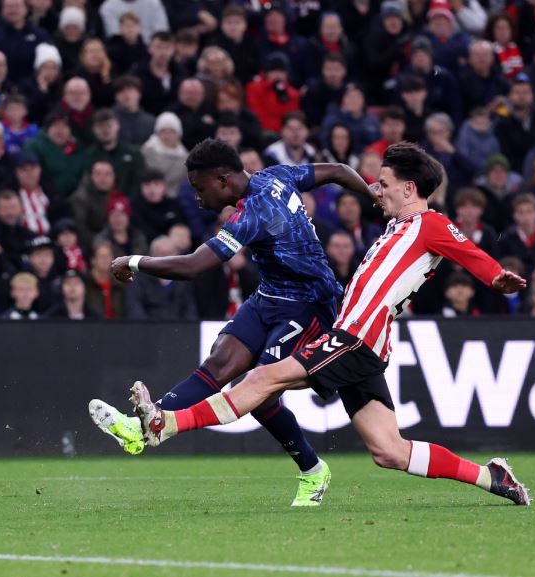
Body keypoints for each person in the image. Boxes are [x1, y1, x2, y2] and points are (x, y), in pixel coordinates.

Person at [116, 142, 531, 507]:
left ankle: (166, 422)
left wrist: (496, 276)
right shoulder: (397, 226)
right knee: (388, 450)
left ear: (409, 188)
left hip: (353, 339)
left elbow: (468, 251)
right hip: (363, 344)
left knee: (261, 380)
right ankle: (491, 476)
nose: (376, 189)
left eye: (383, 183)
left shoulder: (430, 224)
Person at [90, 138, 385, 506]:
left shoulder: (251, 214)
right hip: (270, 295)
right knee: (220, 363)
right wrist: (371, 191)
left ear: (224, 179)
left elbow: (195, 266)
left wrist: (134, 261)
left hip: (310, 304)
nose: (197, 197)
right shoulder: (277, 175)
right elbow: (339, 171)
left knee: (259, 393)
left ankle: (313, 471)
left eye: (200, 188)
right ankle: (144, 426)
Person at [124, 235, 197, 320]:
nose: (166, 258)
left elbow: (190, 310)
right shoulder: (138, 279)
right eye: (161, 254)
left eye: (170, 253)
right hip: (148, 330)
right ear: (151, 256)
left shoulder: (185, 279)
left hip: (179, 329)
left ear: (178, 256)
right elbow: (134, 308)